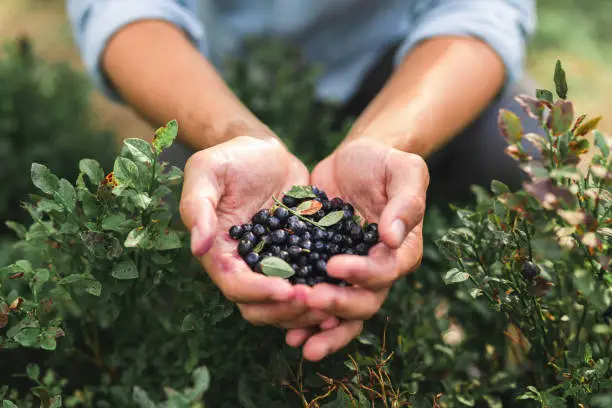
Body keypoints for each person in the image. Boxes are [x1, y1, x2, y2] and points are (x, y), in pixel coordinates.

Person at [66, 0, 539, 363]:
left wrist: (385, 141)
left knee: (519, 150)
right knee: (174, 221)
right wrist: (232, 134)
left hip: (402, 66)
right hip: (214, 83)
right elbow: (124, 11)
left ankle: (501, 343)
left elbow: (481, 11)